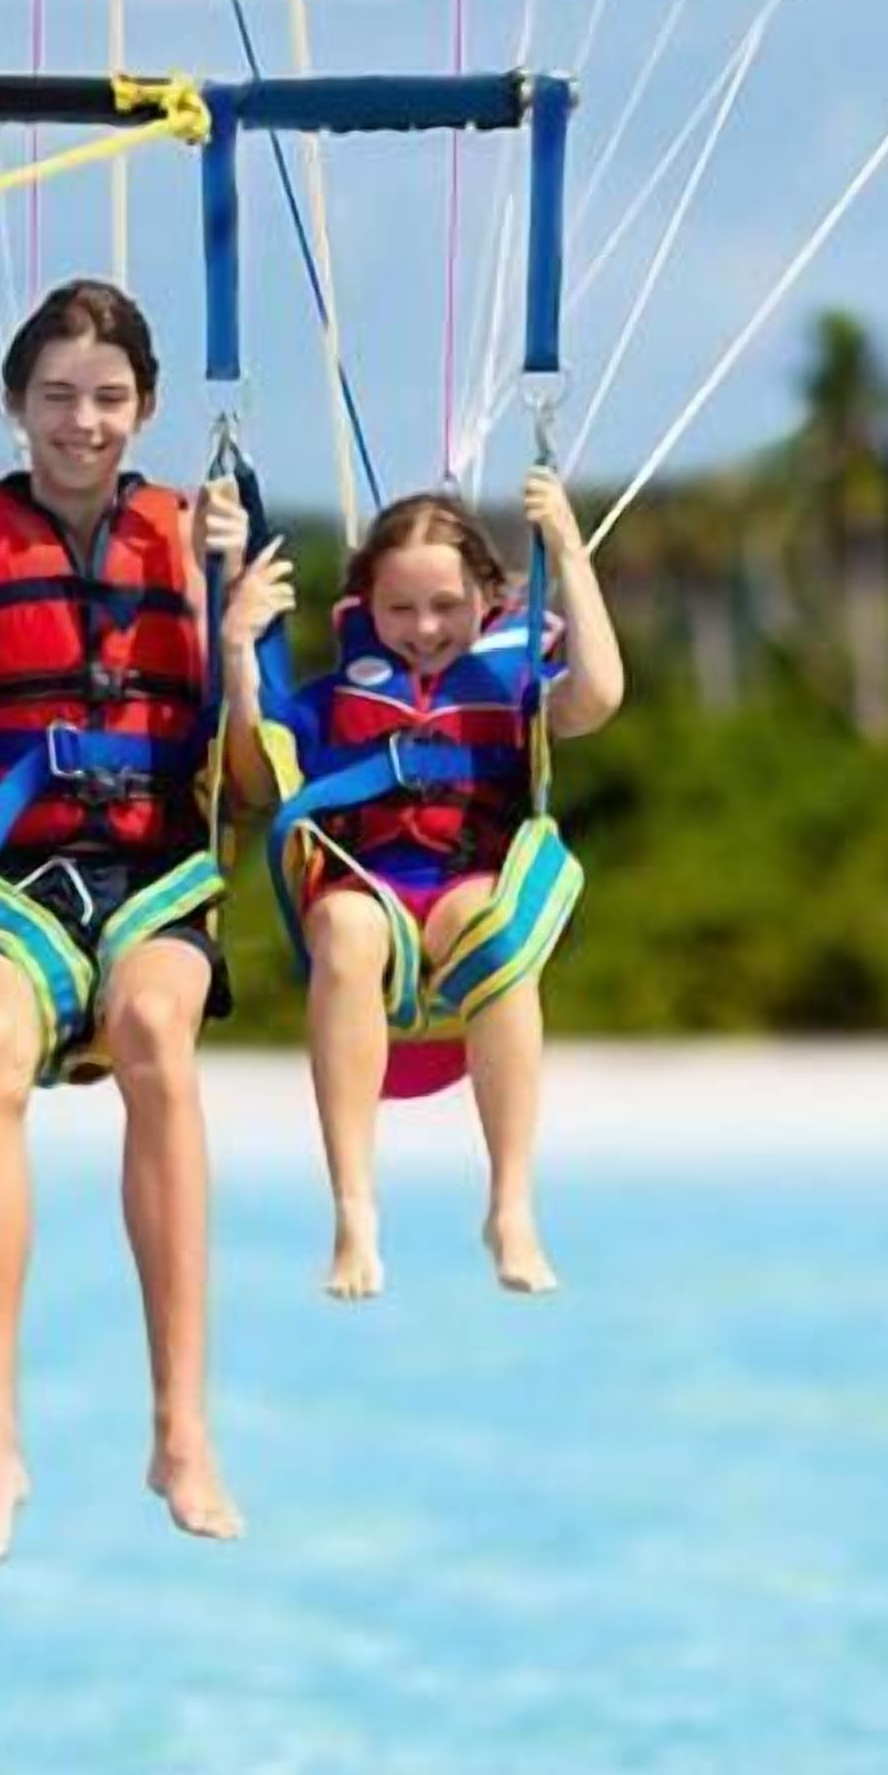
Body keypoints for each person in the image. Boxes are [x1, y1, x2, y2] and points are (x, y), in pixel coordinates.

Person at [0, 280, 250, 1581]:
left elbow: (246, 781)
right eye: (56, 398)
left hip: (147, 873)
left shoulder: (193, 536)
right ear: (14, 405)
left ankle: (180, 1428)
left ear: (145, 409)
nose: (82, 424)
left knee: (153, 1028)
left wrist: (231, 624)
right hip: (4, 878)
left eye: (109, 399)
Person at [222, 470, 625, 1301]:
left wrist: (569, 553)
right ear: (365, 607)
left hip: (465, 892)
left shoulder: (513, 684)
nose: (424, 628)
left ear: (487, 593)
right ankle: (354, 1212)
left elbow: (599, 696)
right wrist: (235, 649)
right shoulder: (332, 700)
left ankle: (511, 1204)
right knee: (345, 928)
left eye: (445, 605)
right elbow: (254, 780)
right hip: (369, 892)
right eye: (399, 610)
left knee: (494, 926)